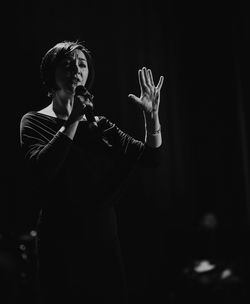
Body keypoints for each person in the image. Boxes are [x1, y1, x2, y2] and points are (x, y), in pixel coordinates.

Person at [19, 40, 164, 304]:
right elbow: (43, 169)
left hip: (103, 239)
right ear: (51, 74)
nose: (76, 68)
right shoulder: (34, 121)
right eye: (67, 64)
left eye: (82, 64)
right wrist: (73, 120)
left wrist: (151, 118)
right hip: (60, 241)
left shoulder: (100, 125)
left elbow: (150, 157)